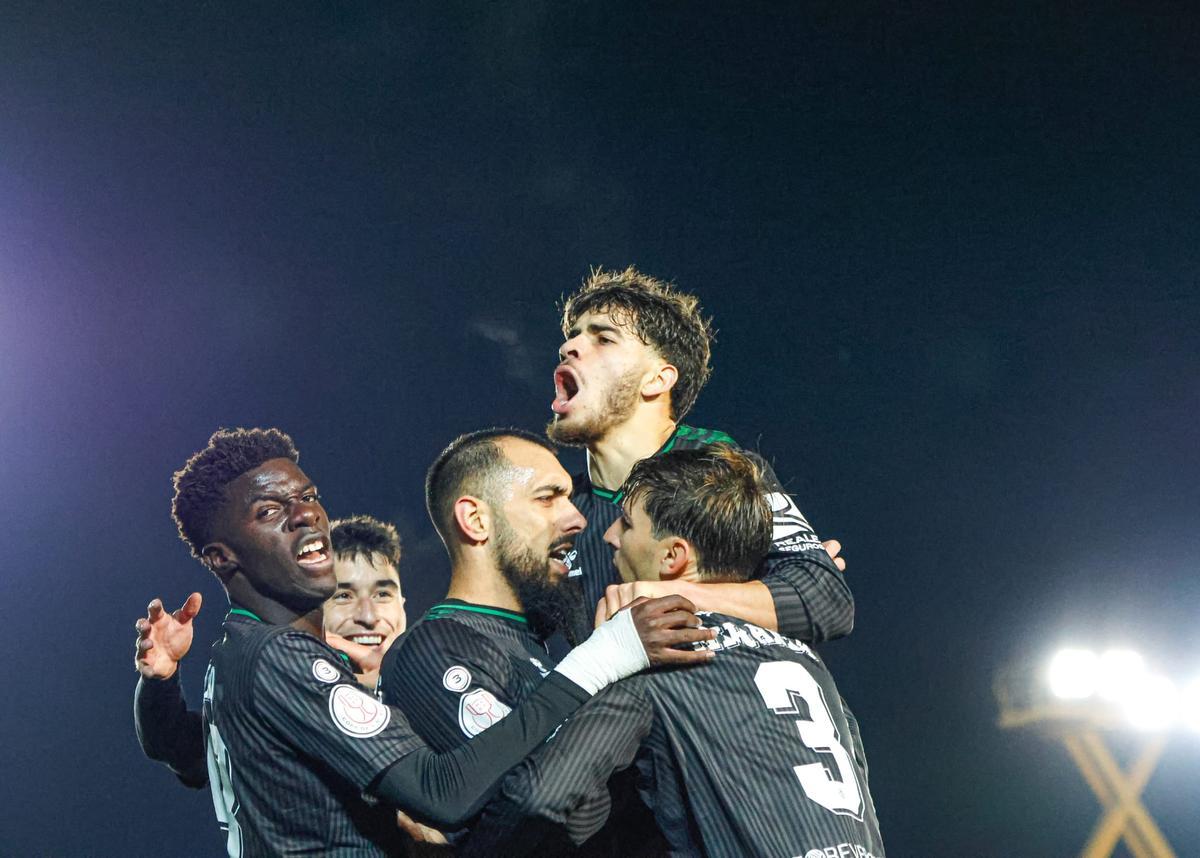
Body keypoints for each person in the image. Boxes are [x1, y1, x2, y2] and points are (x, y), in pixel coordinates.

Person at [140, 427, 712, 855]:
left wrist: (158, 684)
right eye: (269, 510)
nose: (304, 516)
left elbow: (187, 756)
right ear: (222, 556)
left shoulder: (234, 657)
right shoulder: (280, 657)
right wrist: (608, 661)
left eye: (307, 495)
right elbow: (444, 792)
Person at [463, 446, 885, 858]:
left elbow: (540, 799)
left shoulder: (658, 658)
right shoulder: (805, 660)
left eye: (626, 524)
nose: (609, 535)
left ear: (672, 557)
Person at [381, 428, 667, 853]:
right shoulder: (436, 648)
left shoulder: (532, 646)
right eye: (547, 497)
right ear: (476, 520)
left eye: (569, 497)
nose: (577, 519)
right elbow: (532, 811)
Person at [546, 267, 852, 645]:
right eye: (573, 336)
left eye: (604, 339)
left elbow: (824, 599)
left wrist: (671, 597)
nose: (569, 347)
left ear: (657, 379)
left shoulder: (722, 468)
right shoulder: (560, 510)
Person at [134, 513, 407, 787]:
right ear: (311, 605)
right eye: (344, 596)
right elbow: (180, 748)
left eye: (383, 594)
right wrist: (160, 682)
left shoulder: (440, 683)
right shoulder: (278, 697)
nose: (369, 616)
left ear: (402, 604)